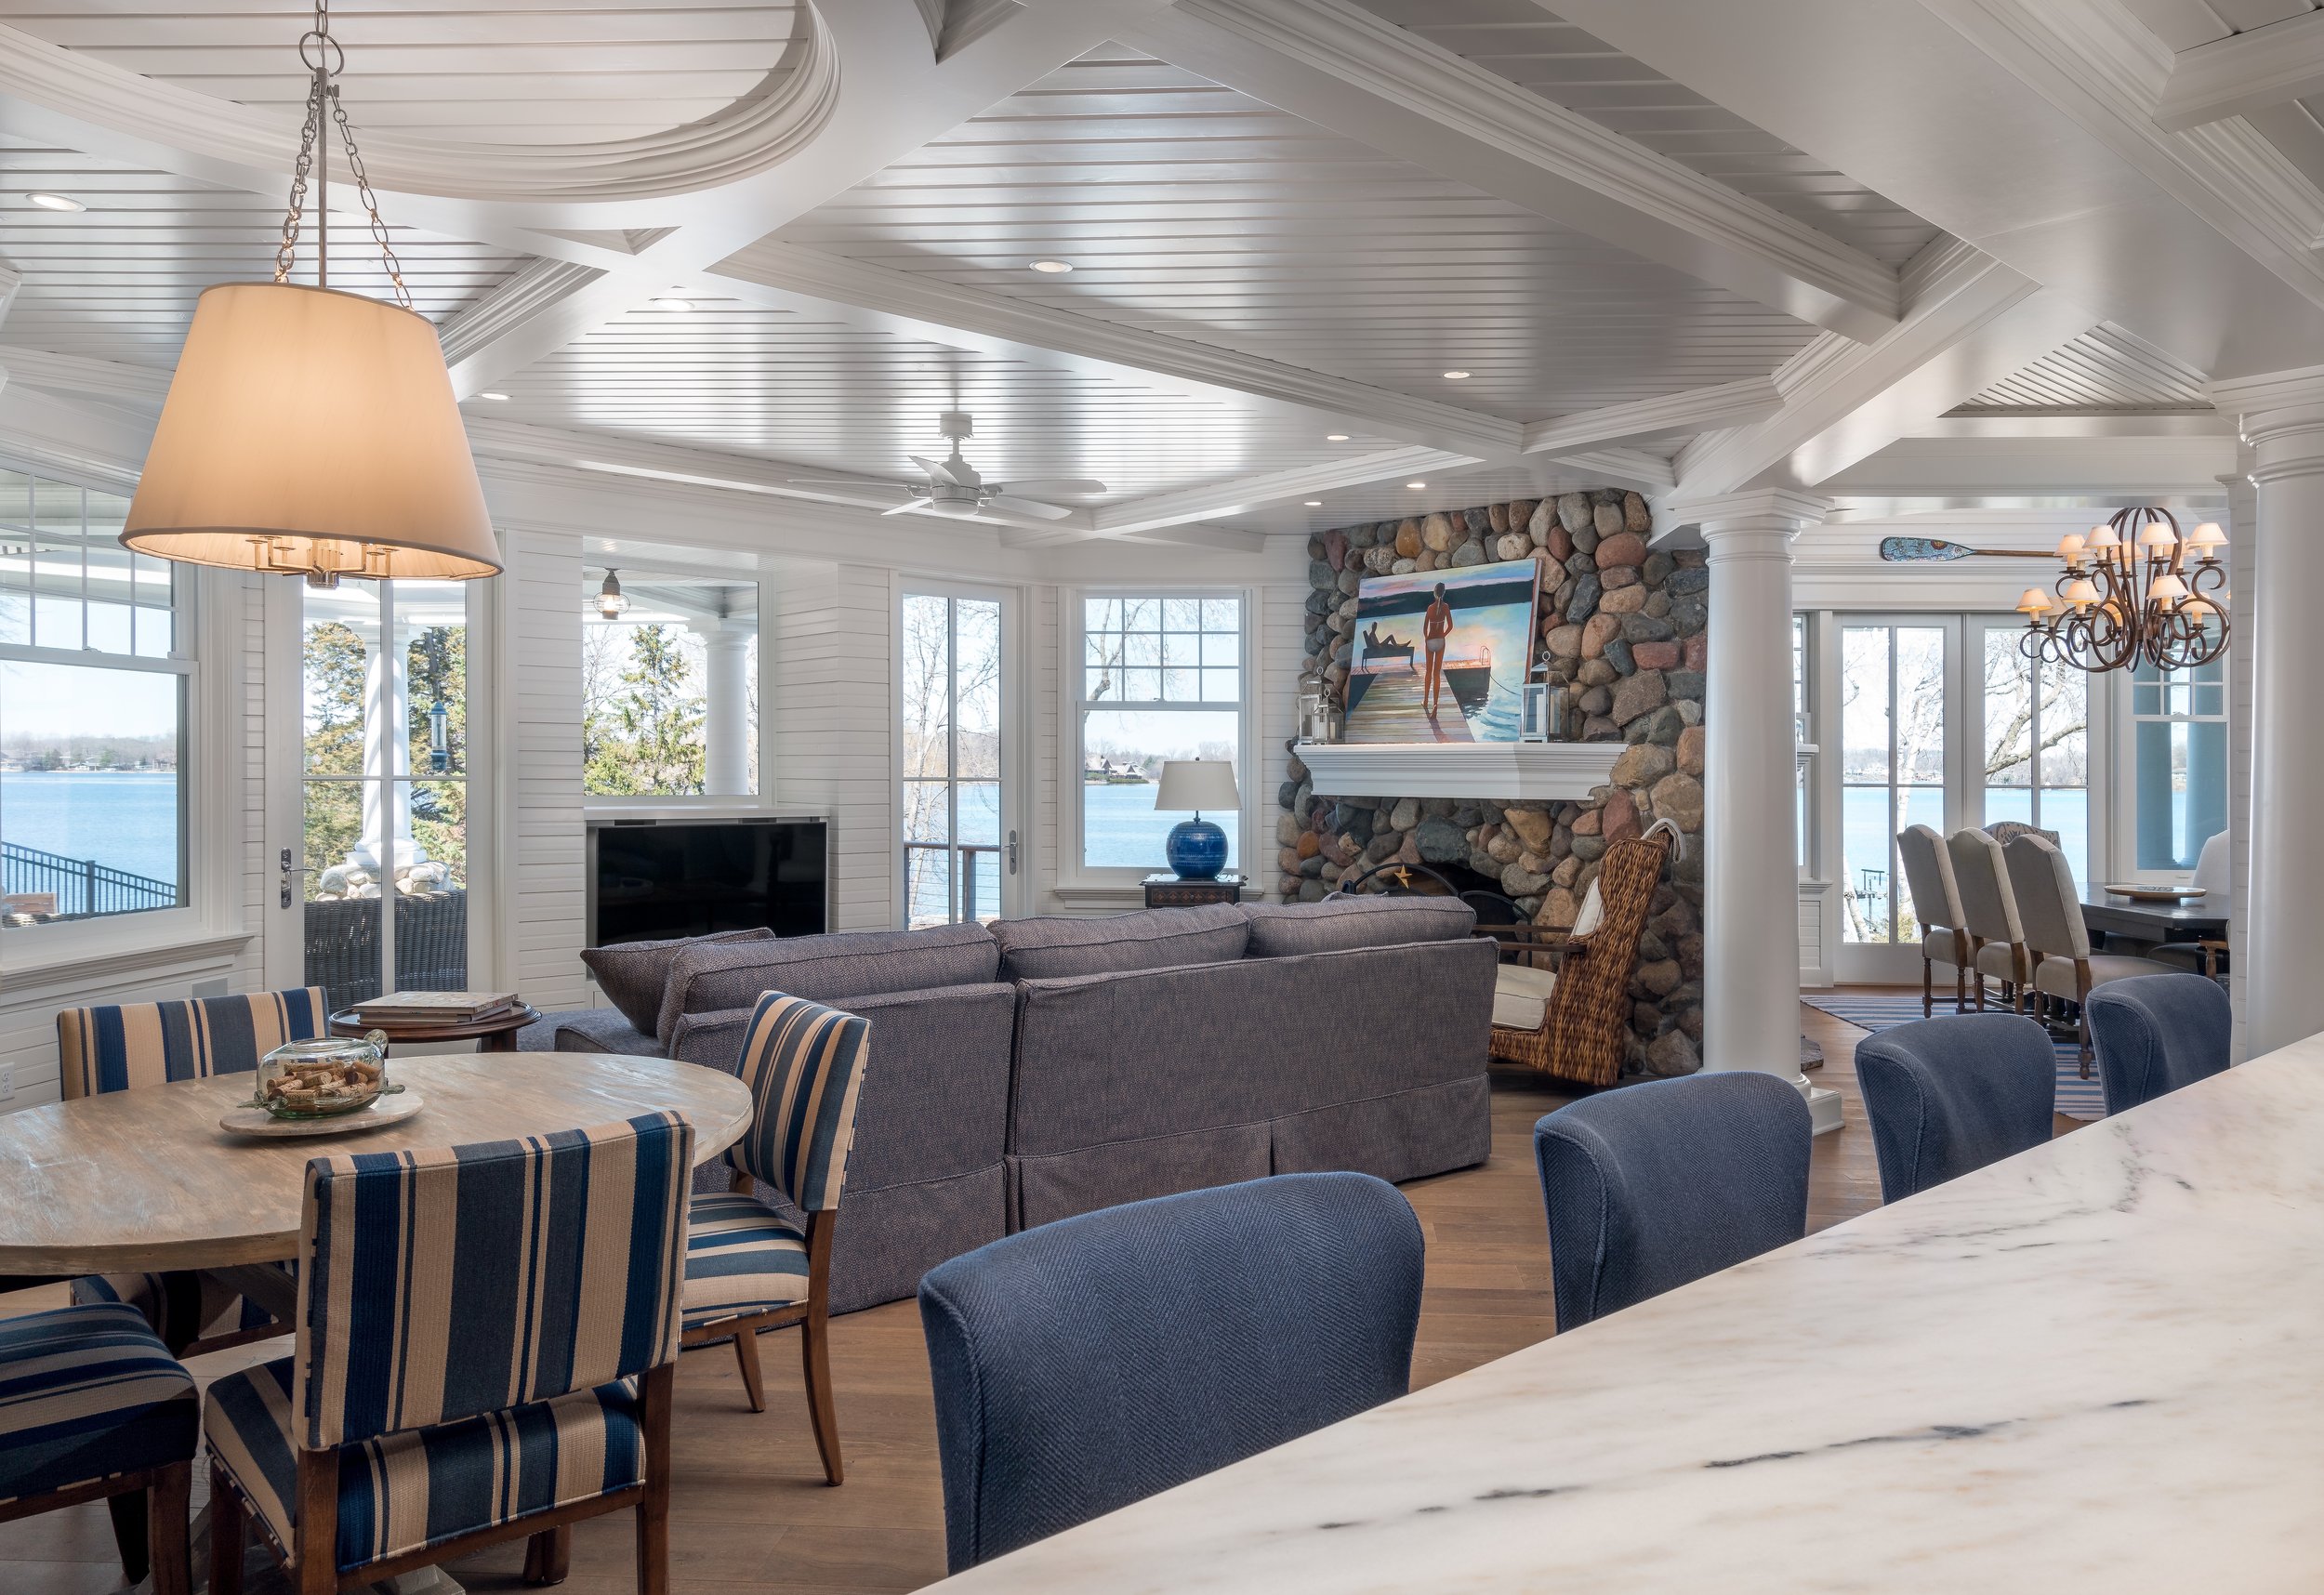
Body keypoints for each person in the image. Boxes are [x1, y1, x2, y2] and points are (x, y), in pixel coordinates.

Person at [1421, 582, 1454, 716]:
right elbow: (1450, 626)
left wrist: (1426, 639)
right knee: (1437, 673)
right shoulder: (1446, 607)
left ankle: (1425, 701)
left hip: (1430, 641)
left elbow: (1424, 628)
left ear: (1434, 593)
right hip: (1440, 641)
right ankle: (1435, 704)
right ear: (1444, 592)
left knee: (1428, 672)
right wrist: (1443, 635)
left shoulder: (1430, 608)